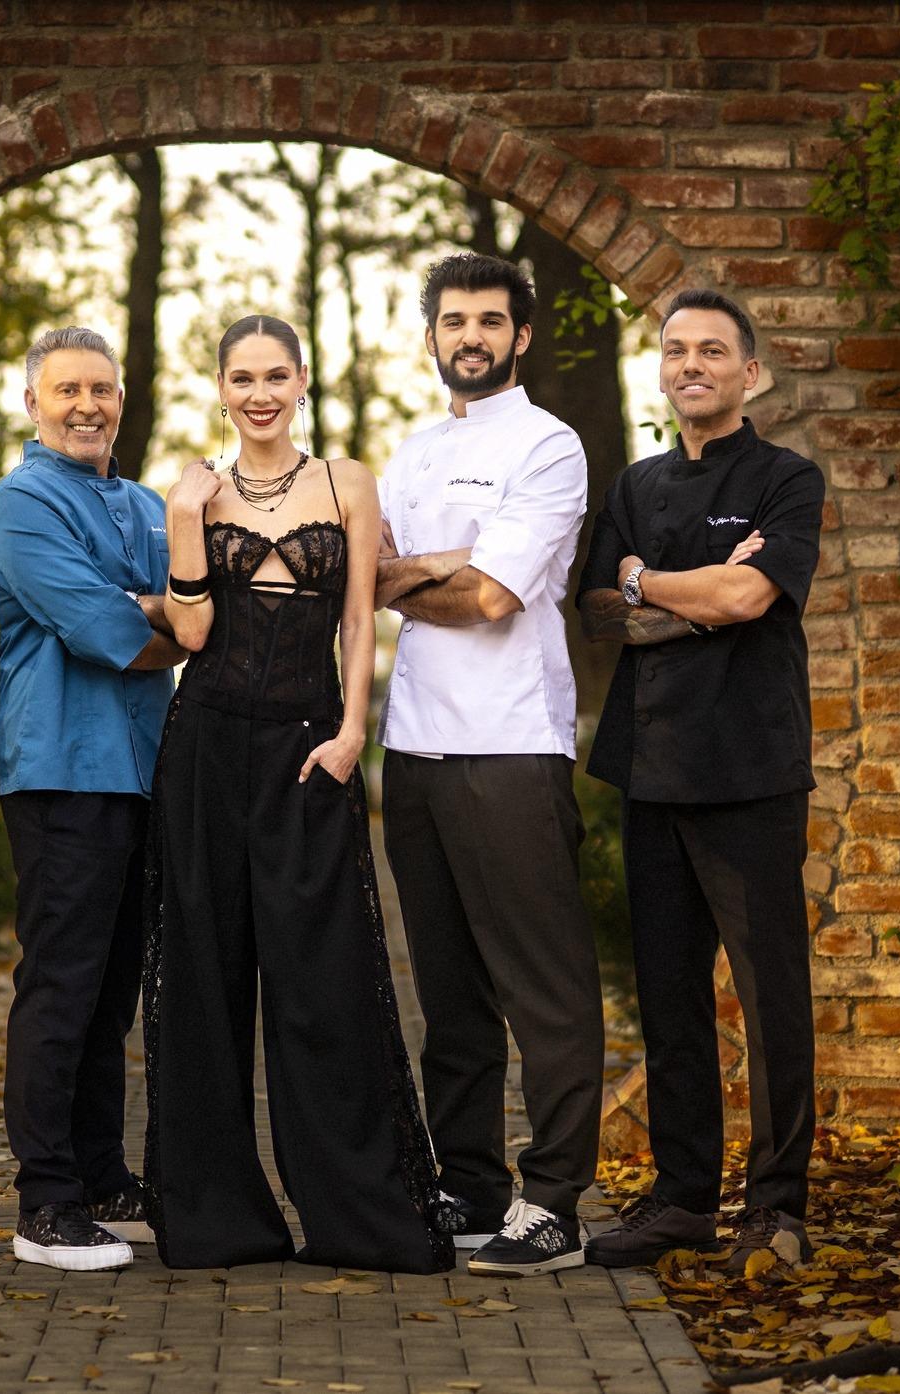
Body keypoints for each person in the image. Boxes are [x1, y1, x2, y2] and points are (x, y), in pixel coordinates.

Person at [143, 314, 452, 1275]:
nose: (259, 394)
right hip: (206, 746)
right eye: (242, 378)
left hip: (312, 749)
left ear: (302, 379)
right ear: (221, 388)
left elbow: (359, 618)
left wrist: (354, 731)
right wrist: (185, 521)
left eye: (275, 376)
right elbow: (192, 634)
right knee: (204, 977)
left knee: (324, 980)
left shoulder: (345, 481)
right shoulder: (195, 488)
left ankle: (357, 1217)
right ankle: (217, 1220)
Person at [574, 288, 825, 1272]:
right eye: (676, 350)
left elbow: (748, 594)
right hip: (652, 769)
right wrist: (690, 596)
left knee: (770, 1000)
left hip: (750, 770)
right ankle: (681, 1200)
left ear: (749, 373)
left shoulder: (786, 478)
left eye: (712, 350)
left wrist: (651, 583)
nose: (691, 364)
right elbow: (600, 610)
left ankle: (777, 1207)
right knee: (669, 997)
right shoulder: (636, 486)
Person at [370, 253, 603, 1276]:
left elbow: (493, 598)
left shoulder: (548, 446)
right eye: (454, 320)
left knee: (542, 987)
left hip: (509, 746)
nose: (471, 336)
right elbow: (369, 573)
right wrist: (432, 567)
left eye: (490, 320)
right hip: (414, 749)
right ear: (431, 336)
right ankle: (468, 1186)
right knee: (450, 992)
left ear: (521, 336)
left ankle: (552, 1202)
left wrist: (411, 577)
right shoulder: (413, 454)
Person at [0, 327, 185, 1272]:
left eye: (101, 389)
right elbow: (116, 633)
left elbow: (203, 610)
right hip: (63, 770)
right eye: (66, 390)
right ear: (33, 404)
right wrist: (155, 612)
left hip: (145, 774)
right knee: (61, 988)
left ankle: (103, 1177)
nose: (86, 406)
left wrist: (161, 610)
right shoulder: (22, 501)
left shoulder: (145, 504)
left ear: (120, 399)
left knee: (111, 994)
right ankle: (46, 1201)